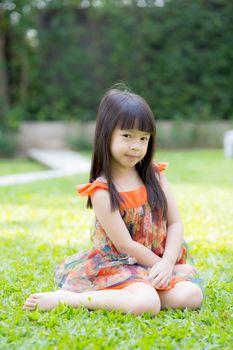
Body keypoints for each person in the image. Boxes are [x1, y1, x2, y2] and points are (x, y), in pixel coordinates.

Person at [23, 85, 203, 315]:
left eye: (143, 138)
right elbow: (125, 245)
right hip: (120, 264)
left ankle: (142, 289)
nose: (136, 146)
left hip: (157, 261)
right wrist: (168, 268)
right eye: (127, 136)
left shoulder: (156, 176)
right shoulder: (102, 190)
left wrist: (168, 264)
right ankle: (70, 299)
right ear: (106, 135)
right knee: (146, 305)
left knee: (191, 295)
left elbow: (175, 223)